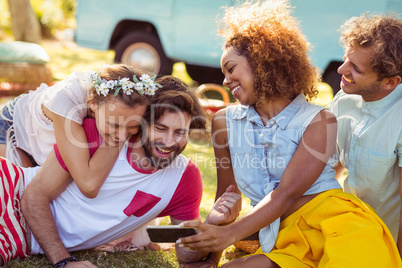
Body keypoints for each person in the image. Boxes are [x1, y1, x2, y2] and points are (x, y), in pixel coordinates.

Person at [177, 1, 402, 267]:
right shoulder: (225, 122)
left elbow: (286, 194)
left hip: (337, 225)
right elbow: (226, 198)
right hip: (284, 235)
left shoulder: (320, 119)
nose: (225, 80)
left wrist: (227, 235)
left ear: (262, 63)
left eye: (231, 68)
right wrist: (212, 256)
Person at [0, 75, 239, 267]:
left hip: (18, 238)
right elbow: (33, 196)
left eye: (180, 133)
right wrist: (64, 261)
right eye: (160, 128)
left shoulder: (184, 177)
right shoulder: (98, 133)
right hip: (9, 188)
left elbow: (186, 256)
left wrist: (211, 223)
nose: (169, 142)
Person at [0, 64, 152, 199]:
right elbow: (87, 185)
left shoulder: (123, 102)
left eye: (133, 126)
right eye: (114, 125)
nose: (123, 135)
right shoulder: (66, 101)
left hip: (48, 134)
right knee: (21, 193)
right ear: (93, 104)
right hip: (12, 130)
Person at [330, 13, 402, 255]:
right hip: (349, 229)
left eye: (355, 68)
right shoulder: (343, 99)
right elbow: (334, 166)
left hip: (386, 242)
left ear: (390, 82)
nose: (341, 69)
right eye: (345, 59)